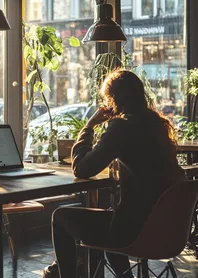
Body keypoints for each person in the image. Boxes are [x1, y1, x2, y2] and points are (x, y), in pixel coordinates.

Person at [43, 69, 186, 278]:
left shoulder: (123, 126)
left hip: (136, 230)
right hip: (168, 228)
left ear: (113, 99)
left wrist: (90, 126)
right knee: (113, 218)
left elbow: (82, 168)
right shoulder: (157, 124)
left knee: (61, 217)